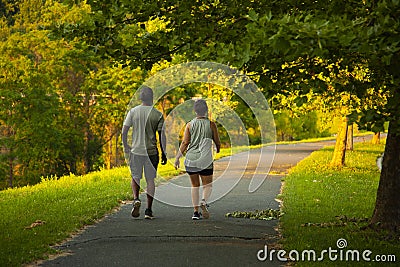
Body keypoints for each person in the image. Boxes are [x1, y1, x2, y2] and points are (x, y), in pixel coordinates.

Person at [122, 86, 167, 219]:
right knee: (150, 180)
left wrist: (126, 146)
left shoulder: (133, 112)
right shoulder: (157, 114)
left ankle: (136, 199)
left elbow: (124, 131)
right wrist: (164, 153)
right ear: (152, 98)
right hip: (151, 152)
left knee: (135, 176)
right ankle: (148, 210)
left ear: (140, 98)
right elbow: (161, 135)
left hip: (136, 151)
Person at [174, 99, 221, 220]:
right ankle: (204, 201)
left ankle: (195, 212)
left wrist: (177, 157)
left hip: (191, 159)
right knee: (207, 185)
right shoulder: (211, 124)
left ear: (195, 111)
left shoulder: (189, 125)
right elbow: (217, 141)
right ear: (206, 110)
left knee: (195, 186)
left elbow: (185, 142)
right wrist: (218, 148)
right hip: (205, 160)